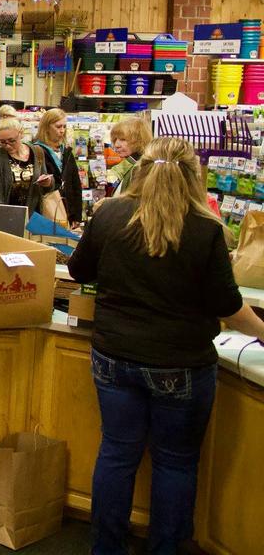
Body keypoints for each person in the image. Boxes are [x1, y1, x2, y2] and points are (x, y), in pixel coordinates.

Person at [67, 137, 264, 555]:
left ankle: (106, 548)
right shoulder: (206, 228)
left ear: (139, 170)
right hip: (181, 366)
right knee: (175, 462)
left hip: (114, 357)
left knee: (117, 454)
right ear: (195, 177)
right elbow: (226, 304)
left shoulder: (110, 214)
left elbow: (78, 268)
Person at [0, 106, 53, 216]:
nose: (7, 145)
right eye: (2, 142)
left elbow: (47, 188)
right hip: (8, 218)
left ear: (21, 133)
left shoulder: (37, 151)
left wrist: (48, 182)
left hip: (34, 218)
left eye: (12, 141)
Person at [33, 108, 83, 226]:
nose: (62, 130)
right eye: (58, 126)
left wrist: (77, 215)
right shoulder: (36, 150)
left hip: (67, 210)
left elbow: (75, 183)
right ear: (46, 127)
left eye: (64, 127)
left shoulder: (66, 151)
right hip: (46, 209)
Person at [107, 117, 152, 197]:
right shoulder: (131, 164)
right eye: (115, 140)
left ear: (140, 139)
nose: (116, 145)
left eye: (123, 139)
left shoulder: (143, 169)